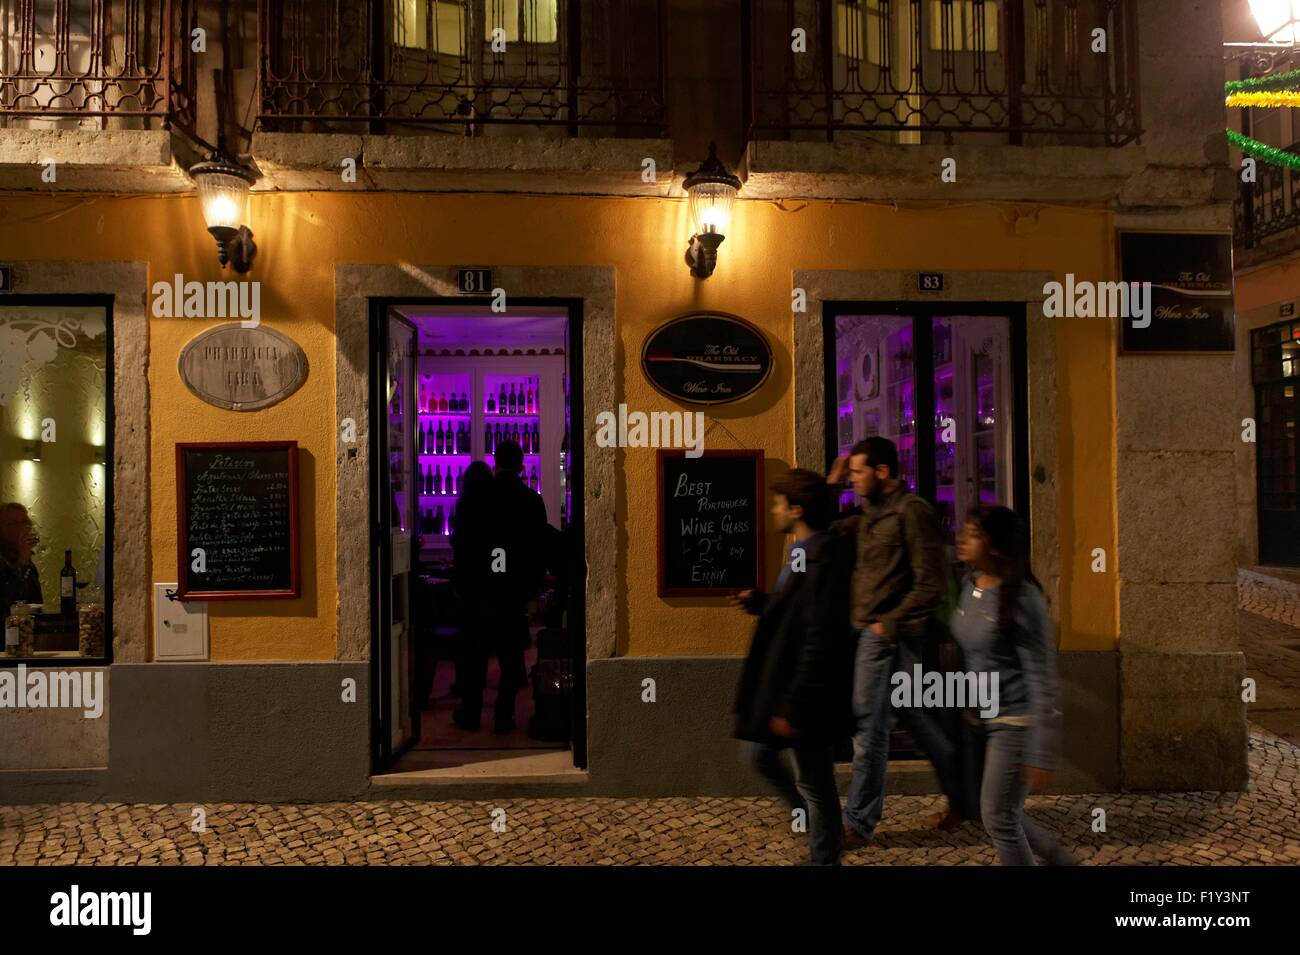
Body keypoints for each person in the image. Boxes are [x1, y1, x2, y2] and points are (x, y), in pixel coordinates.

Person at [828, 437, 962, 849]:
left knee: (870, 729)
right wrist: (832, 487)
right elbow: (823, 533)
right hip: (867, 633)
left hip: (888, 637)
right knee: (914, 718)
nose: (853, 480)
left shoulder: (911, 513)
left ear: (882, 472)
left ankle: (858, 822)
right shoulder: (868, 513)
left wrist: (887, 625)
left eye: (858, 472)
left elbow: (931, 583)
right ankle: (966, 795)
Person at [731, 469, 856, 865]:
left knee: (816, 785)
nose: (773, 510)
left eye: (778, 503)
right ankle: (813, 825)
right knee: (760, 757)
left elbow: (818, 639)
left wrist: (794, 706)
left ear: (797, 510)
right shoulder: (804, 551)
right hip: (787, 688)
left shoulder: (821, 560)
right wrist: (764, 602)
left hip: (806, 696)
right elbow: (798, 614)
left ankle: (825, 854)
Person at [953, 505, 1072, 866]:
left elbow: (1041, 677)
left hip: (1016, 722)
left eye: (973, 534)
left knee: (997, 815)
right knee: (1006, 810)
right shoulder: (970, 584)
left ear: (997, 547)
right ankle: (1061, 861)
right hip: (987, 720)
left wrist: (1039, 752)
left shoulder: (1023, 599)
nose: (962, 538)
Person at [451, 442, 548, 734]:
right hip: (511, 592)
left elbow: (463, 545)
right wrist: (528, 588)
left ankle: (471, 713)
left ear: (496, 462)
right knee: (509, 658)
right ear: (521, 466)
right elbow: (537, 551)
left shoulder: (476, 496)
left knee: (475, 656)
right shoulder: (531, 499)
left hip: (479, 591)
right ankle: (503, 716)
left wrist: (464, 584)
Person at [0, 503, 43, 619]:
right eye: (12, 524)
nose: (21, 528)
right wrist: (23, 560)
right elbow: (8, 604)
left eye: (24, 522)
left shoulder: (22, 556)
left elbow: (35, 601)